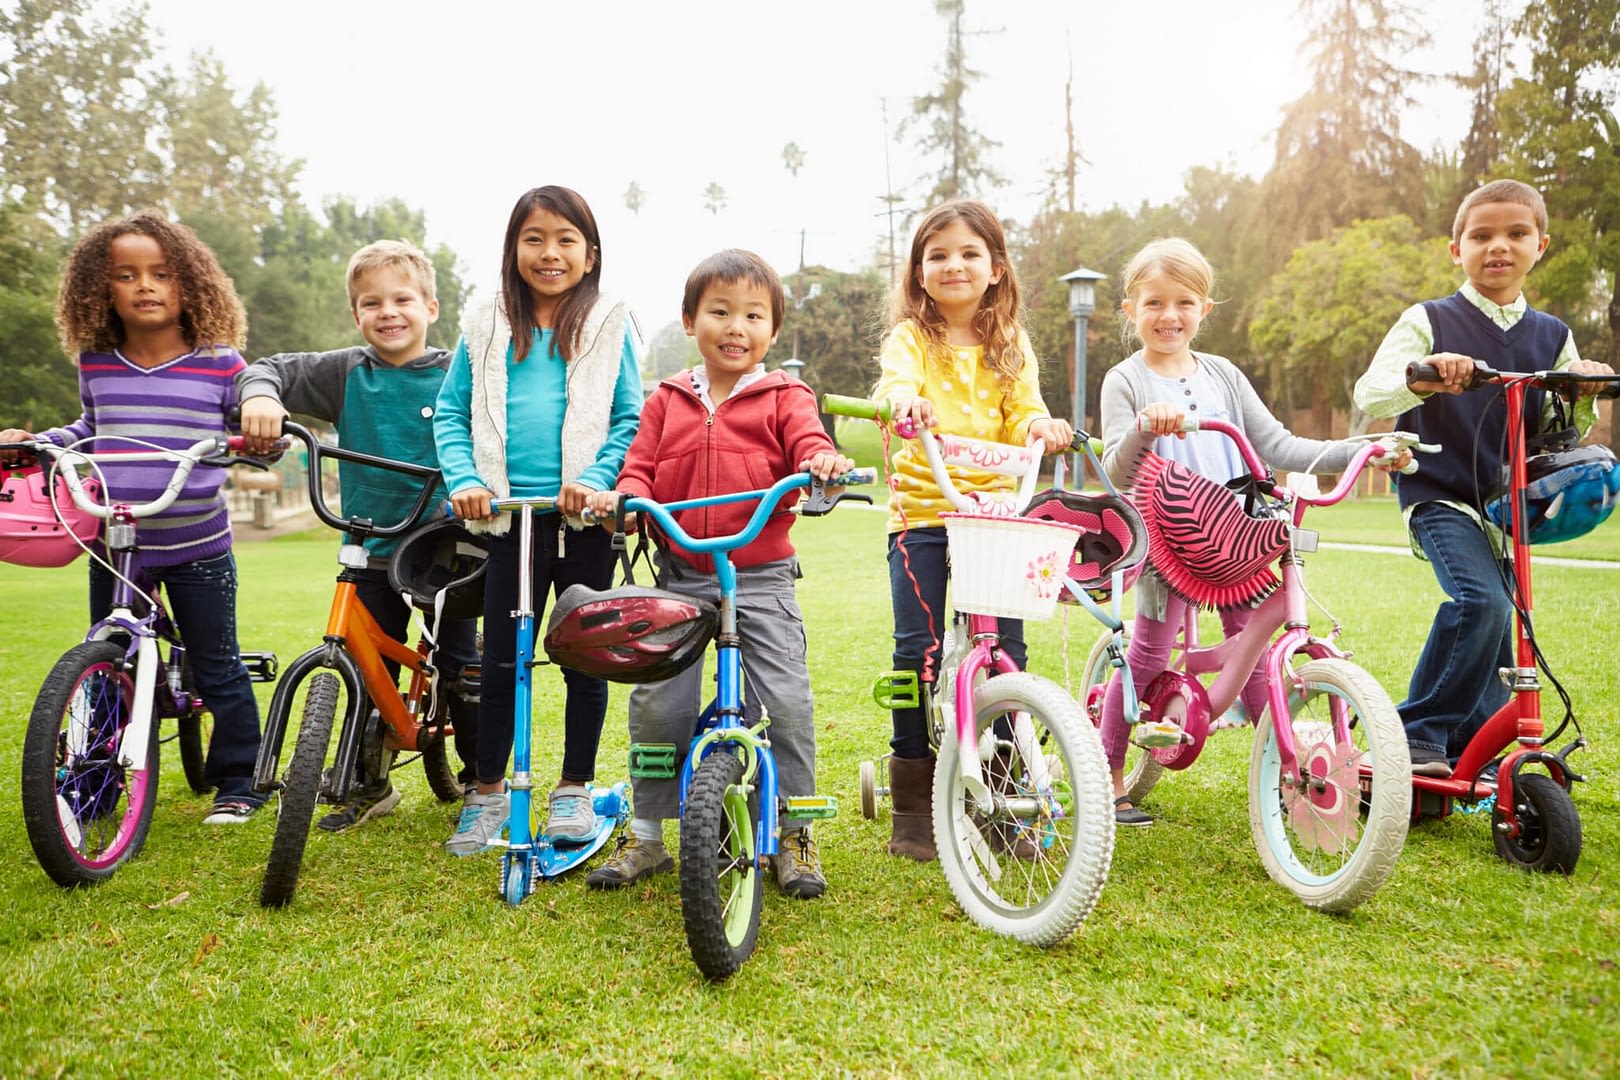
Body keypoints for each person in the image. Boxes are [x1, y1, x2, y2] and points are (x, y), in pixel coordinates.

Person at [1098, 237, 1407, 826]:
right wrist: (1143, 428)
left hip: (1236, 533)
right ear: (1130, 310)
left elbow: (1281, 447)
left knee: (1260, 652)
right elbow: (1115, 468)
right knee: (1147, 653)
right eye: (1155, 303)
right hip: (1164, 539)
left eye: (1184, 302)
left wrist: (1364, 448)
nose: (1170, 316)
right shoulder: (1125, 379)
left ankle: (1289, 774)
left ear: (1205, 309)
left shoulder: (1225, 375)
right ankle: (1107, 771)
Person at [581, 249, 853, 898]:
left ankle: (794, 832)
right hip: (680, 572)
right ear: (689, 320)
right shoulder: (668, 399)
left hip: (760, 575)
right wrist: (622, 497)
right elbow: (640, 467)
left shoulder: (787, 395)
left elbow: (808, 442)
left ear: (773, 331)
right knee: (657, 704)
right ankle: (646, 835)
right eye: (720, 312)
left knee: (785, 703)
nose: (736, 327)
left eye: (753, 316)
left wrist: (821, 461)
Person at [0, 210, 266, 824]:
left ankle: (238, 782)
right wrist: (40, 441)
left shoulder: (219, 362)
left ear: (190, 285)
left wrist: (260, 434)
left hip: (197, 541)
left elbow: (249, 425)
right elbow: (92, 429)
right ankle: (95, 782)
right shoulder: (97, 363)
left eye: (161, 273)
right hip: (118, 542)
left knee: (218, 662)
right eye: (126, 275)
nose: (145, 285)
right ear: (101, 289)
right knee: (107, 660)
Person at [1353, 179, 1614, 779]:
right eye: (1482, 235)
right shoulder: (1430, 319)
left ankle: (1473, 750)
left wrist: (1582, 386)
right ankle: (1417, 733)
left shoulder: (1551, 335)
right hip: (1438, 490)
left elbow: (1566, 427)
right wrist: (1425, 377)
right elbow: (1372, 390)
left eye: (1516, 234)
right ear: (1456, 249)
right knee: (1481, 601)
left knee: (1510, 625)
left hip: (1509, 503)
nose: (1499, 246)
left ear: (1540, 244)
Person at [237, 239, 481, 831]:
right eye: (372, 303)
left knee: (462, 662)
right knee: (368, 659)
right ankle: (370, 782)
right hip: (371, 541)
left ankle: (482, 780)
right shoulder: (345, 371)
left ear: (431, 307)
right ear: (355, 314)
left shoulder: (458, 373)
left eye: (403, 299)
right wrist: (262, 397)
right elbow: (267, 369)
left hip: (446, 543)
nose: (388, 312)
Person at [432, 186, 643, 856]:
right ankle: (487, 791)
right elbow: (450, 415)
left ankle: (574, 788)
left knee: (585, 655)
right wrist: (465, 482)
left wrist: (597, 480)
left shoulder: (609, 323)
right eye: (534, 238)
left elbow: (629, 419)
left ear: (590, 254)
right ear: (513, 248)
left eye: (564, 240)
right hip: (507, 522)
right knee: (501, 658)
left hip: (581, 523)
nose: (549, 253)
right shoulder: (486, 323)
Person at [872, 200, 1074, 862]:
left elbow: (1024, 411)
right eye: (938, 255)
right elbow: (896, 387)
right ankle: (912, 788)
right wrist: (905, 402)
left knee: (1006, 651)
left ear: (995, 269)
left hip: (995, 514)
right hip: (924, 515)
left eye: (968, 254)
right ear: (919, 271)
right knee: (915, 652)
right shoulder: (911, 341)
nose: (953, 265)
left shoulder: (1010, 344)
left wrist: (1039, 428)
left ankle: (1008, 786)